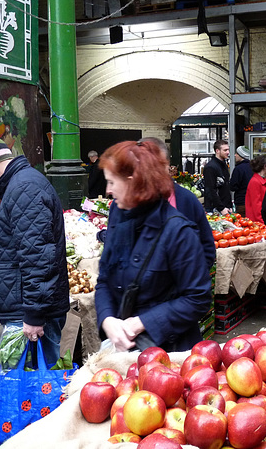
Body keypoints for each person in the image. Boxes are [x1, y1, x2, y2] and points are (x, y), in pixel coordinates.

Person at [0, 135, 69, 364]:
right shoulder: (21, 185)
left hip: (28, 313)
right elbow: (13, 248)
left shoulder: (24, 188)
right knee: (28, 386)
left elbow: (38, 256)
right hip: (26, 306)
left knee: (33, 389)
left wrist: (34, 315)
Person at [94, 140, 212, 352]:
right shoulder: (117, 215)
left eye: (112, 182)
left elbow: (198, 299)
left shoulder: (178, 231)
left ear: (132, 181)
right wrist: (107, 319)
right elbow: (104, 279)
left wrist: (141, 323)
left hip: (169, 354)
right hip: (125, 351)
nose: (108, 190)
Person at [138, 136, 216, 267]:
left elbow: (207, 247)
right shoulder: (124, 203)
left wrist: (192, 278)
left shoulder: (187, 200)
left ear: (167, 165)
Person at [203, 140, 233, 214]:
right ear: (217, 151)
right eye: (225, 150)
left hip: (225, 207)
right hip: (215, 209)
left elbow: (226, 187)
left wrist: (229, 205)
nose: (228, 152)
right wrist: (221, 208)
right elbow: (210, 190)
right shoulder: (210, 167)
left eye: (228, 149)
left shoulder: (224, 165)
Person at [245, 155, 266, 224]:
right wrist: (261, 221)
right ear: (264, 166)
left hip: (258, 220)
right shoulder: (255, 182)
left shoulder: (259, 180)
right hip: (256, 221)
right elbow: (256, 205)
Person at [229, 146, 253, 216]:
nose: (235, 155)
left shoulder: (238, 169)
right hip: (252, 201)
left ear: (242, 156)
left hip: (241, 201)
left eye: (237, 153)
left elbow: (233, 187)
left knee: (242, 223)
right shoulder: (252, 167)